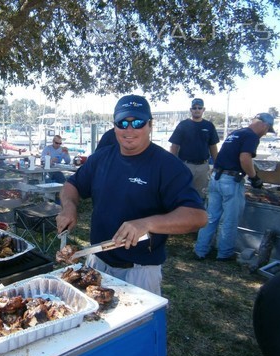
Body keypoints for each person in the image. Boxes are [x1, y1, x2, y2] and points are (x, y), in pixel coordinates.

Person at [56, 94, 207, 295]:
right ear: (114, 126)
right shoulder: (101, 158)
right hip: (96, 262)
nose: (129, 129)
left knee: (138, 326)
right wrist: (69, 208)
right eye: (122, 123)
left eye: (137, 122)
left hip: (140, 271)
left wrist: (147, 224)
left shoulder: (168, 166)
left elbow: (197, 216)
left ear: (150, 125)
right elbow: (71, 186)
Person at [194, 113, 275, 261]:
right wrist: (254, 178)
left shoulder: (236, 133)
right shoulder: (251, 136)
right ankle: (224, 254)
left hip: (216, 178)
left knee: (211, 217)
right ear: (264, 125)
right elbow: (245, 158)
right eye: (267, 130)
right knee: (230, 219)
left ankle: (200, 250)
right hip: (231, 181)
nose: (265, 134)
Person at [169, 98, 220, 200]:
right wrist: (171, 164)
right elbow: (174, 147)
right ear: (191, 110)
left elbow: (213, 147)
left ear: (203, 109)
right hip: (185, 165)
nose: (197, 110)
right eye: (194, 108)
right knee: (182, 192)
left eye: (199, 108)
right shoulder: (183, 125)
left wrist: (217, 165)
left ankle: (197, 214)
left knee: (200, 196)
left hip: (203, 167)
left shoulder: (209, 126)